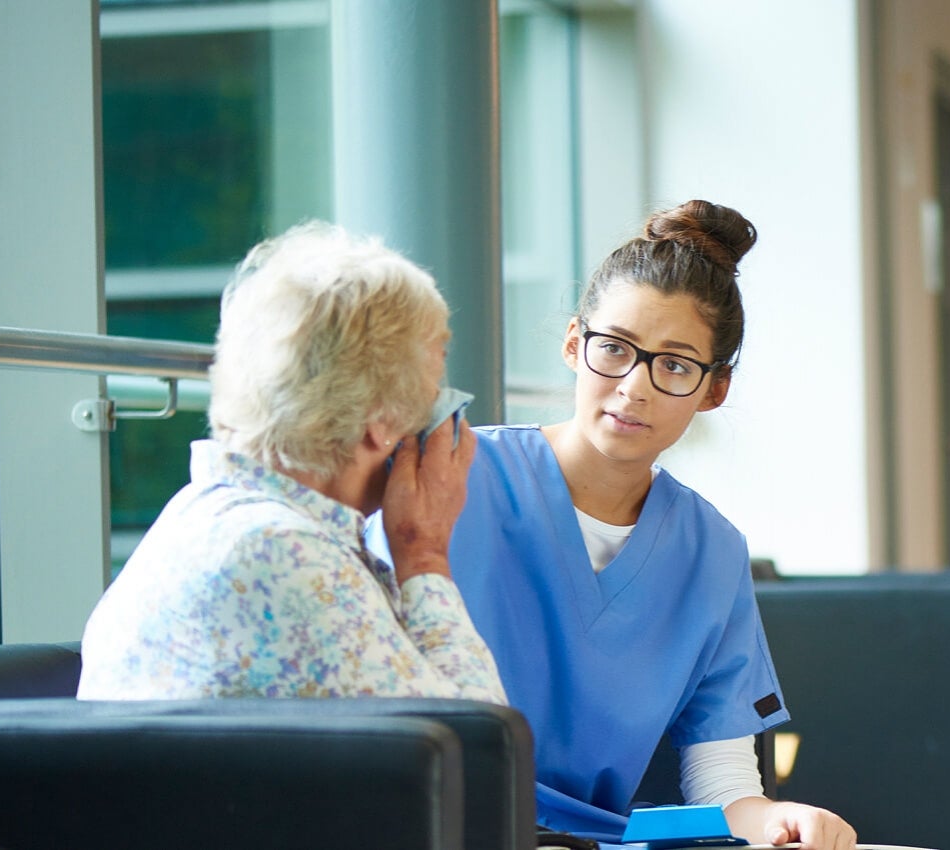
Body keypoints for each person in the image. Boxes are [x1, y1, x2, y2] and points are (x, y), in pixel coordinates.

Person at [375, 201, 855, 850]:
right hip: (433, 823)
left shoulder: (710, 552)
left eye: (676, 365)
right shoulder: (453, 473)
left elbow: (721, 783)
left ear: (714, 390)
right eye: (615, 350)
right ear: (575, 344)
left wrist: (774, 820)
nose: (635, 387)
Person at [79, 222, 503, 704]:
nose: (445, 402)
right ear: (382, 416)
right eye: (439, 363)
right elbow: (479, 751)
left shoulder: (211, 516)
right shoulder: (284, 553)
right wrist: (424, 554)